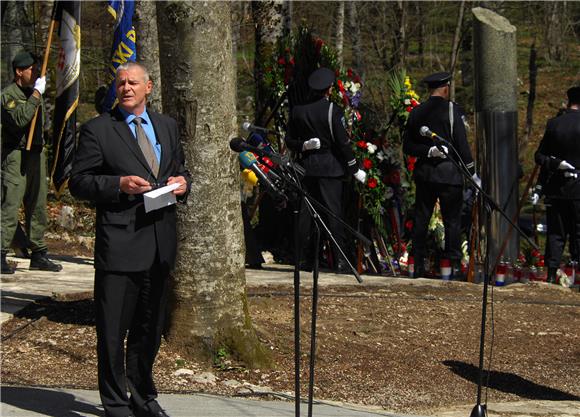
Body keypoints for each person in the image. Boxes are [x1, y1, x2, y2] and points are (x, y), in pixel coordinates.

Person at [69, 62, 190, 417]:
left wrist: (184, 184)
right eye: (120, 83)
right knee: (111, 333)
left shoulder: (167, 126)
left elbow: (178, 169)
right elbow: (79, 181)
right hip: (120, 246)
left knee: (149, 331)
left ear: (148, 87)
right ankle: (116, 402)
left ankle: (143, 396)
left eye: (133, 82)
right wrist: (116, 184)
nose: (126, 88)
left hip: (160, 244)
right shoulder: (98, 130)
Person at [285, 67, 366, 273]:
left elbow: (289, 141)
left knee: (307, 216)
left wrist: (304, 145)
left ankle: (304, 259)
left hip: (307, 169)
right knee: (333, 216)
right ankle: (339, 261)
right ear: (329, 89)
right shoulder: (333, 111)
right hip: (330, 169)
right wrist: (354, 168)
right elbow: (342, 143)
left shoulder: (298, 111)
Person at [403, 72, 478, 279]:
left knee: (421, 219)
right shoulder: (453, 111)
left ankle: (417, 264)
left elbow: (408, 146)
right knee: (452, 221)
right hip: (449, 174)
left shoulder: (417, 112)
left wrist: (426, 152)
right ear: (445, 88)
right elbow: (462, 145)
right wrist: (472, 172)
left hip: (426, 173)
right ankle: (451, 266)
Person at [1, 51, 62, 274]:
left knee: (37, 205)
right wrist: (37, 93)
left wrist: (36, 93)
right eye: (31, 70)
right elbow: (19, 119)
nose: (36, 74)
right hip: (16, 155)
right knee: (10, 204)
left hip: (36, 153)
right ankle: (1, 252)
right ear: (19, 72)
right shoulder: (9, 95)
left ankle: (39, 252)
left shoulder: (32, 94)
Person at [533, 86, 580, 284]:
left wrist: (556, 163)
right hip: (578, 189)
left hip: (558, 188)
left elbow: (540, 156)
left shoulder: (554, 124)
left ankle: (552, 272)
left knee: (556, 232)